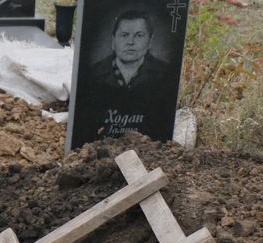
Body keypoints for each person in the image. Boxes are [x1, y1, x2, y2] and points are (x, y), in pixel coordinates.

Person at [72, 9, 181, 145]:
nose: (130, 42)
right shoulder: (92, 74)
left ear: (150, 41)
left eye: (139, 35)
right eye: (124, 35)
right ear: (113, 40)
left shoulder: (165, 74)